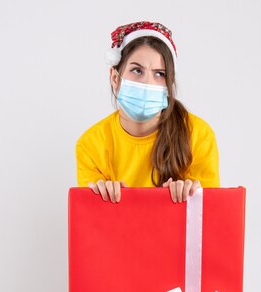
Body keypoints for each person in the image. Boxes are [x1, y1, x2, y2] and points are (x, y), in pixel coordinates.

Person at [75, 21, 220, 203]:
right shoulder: (91, 145)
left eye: (159, 74)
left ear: (169, 84)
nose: (147, 83)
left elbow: (208, 220)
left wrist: (191, 198)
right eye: (137, 70)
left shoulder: (198, 135)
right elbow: (93, 227)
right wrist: (103, 203)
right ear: (114, 77)